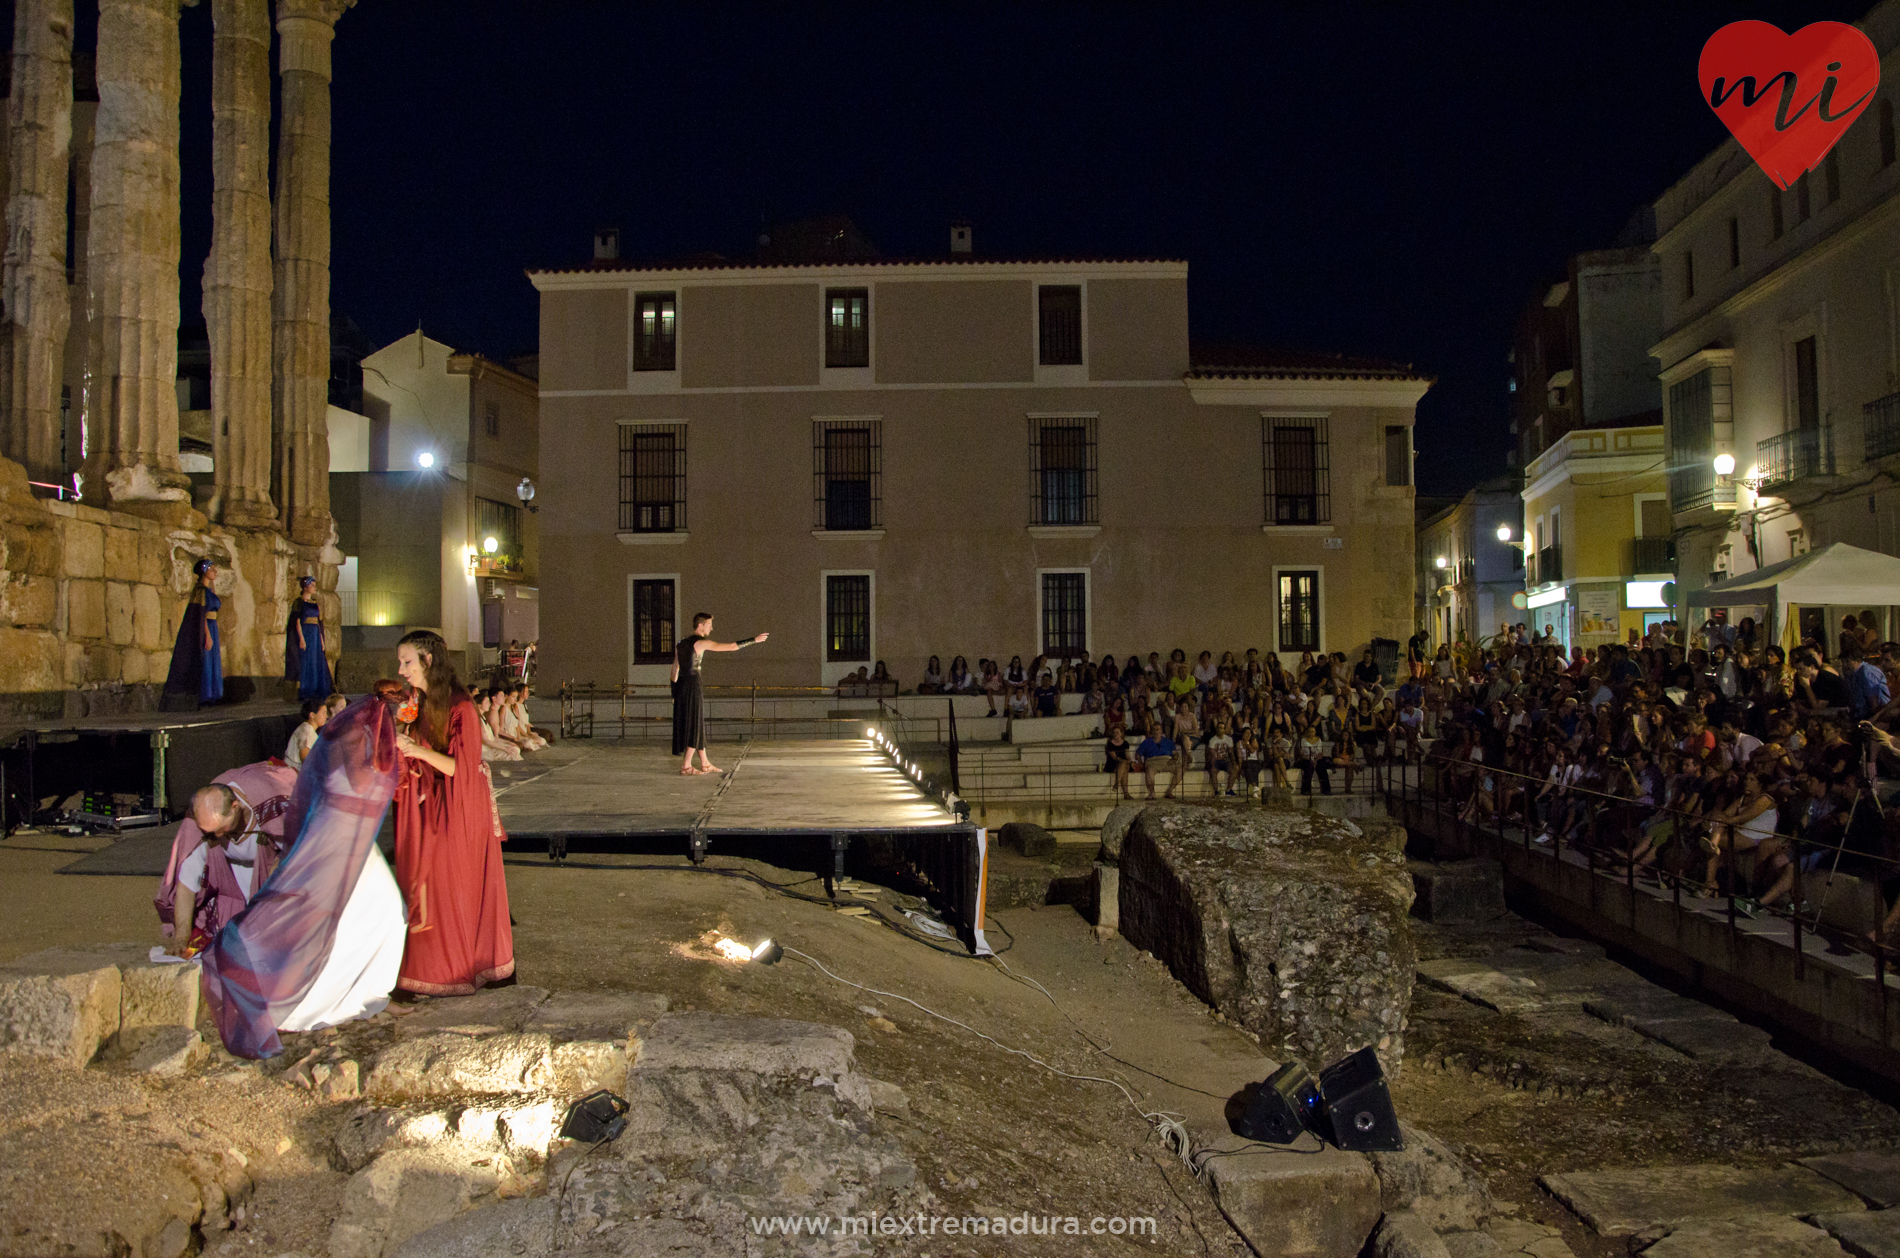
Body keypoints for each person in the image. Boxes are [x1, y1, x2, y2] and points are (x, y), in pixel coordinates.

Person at [198, 697, 409, 1058]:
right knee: (367, 919)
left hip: (352, 849)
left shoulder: (353, 755)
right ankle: (335, 1000)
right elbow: (350, 796)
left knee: (384, 915)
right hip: (338, 852)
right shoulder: (348, 757)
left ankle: (370, 995)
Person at [391, 629, 515, 996]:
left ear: (428, 661)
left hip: (459, 806)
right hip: (431, 804)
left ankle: (452, 968)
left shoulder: (460, 706)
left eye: (407, 661)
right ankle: (427, 968)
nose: (401, 670)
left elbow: (462, 766)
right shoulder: (421, 700)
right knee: (424, 881)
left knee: (447, 884)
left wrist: (414, 750)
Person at [155, 759, 298, 956]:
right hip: (231, 879)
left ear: (235, 806)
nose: (219, 836)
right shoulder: (199, 823)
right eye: (211, 832)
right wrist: (181, 937)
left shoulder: (273, 805)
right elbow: (187, 884)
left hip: (274, 870)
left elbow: (292, 856)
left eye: (223, 829)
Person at [672, 613, 768, 775]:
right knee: (695, 723)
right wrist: (754, 640)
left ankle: (705, 763)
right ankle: (686, 765)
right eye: (709, 624)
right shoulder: (701, 643)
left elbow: (675, 669)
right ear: (700, 625)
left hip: (681, 686)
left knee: (697, 722)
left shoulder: (681, 643)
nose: (712, 627)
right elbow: (730, 647)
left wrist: (675, 693)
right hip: (694, 685)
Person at [164, 558, 224, 707]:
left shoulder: (209, 590)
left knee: (213, 659)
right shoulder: (199, 590)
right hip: (206, 627)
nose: (215, 572)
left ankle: (213, 695)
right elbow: (200, 614)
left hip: (213, 625)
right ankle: (204, 695)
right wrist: (207, 634)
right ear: (204, 572)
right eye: (211, 569)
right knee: (205, 659)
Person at [283, 575, 333, 703]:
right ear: (306, 587)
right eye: (313, 585)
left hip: (315, 634)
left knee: (316, 660)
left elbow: (318, 623)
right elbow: (297, 621)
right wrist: (301, 638)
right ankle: (306, 688)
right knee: (306, 661)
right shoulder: (299, 603)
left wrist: (322, 640)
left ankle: (317, 689)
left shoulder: (315, 604)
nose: (315, 588)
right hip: (306, 633)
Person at [284, 696, 329, 770]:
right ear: (312, 715)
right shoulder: (307, 730)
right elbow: (305, 756)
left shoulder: (307, 729)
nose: (326, 716)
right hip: (294, 772)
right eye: (324, 713)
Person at [1104, 723, 1135, 800]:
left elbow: (1127, 754)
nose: (1116, 734)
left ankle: (1117, 784)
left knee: (1125, 767)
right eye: (1114, 732)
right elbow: (1114, 757)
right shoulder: (1110, 744)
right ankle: (1126, 793)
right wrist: (1124, 761)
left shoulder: (1125, 743)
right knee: (1124, 766)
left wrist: (1129, 761)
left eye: (1118, 732)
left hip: (1123, 763)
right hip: (1113, 764)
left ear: (1121, 733)